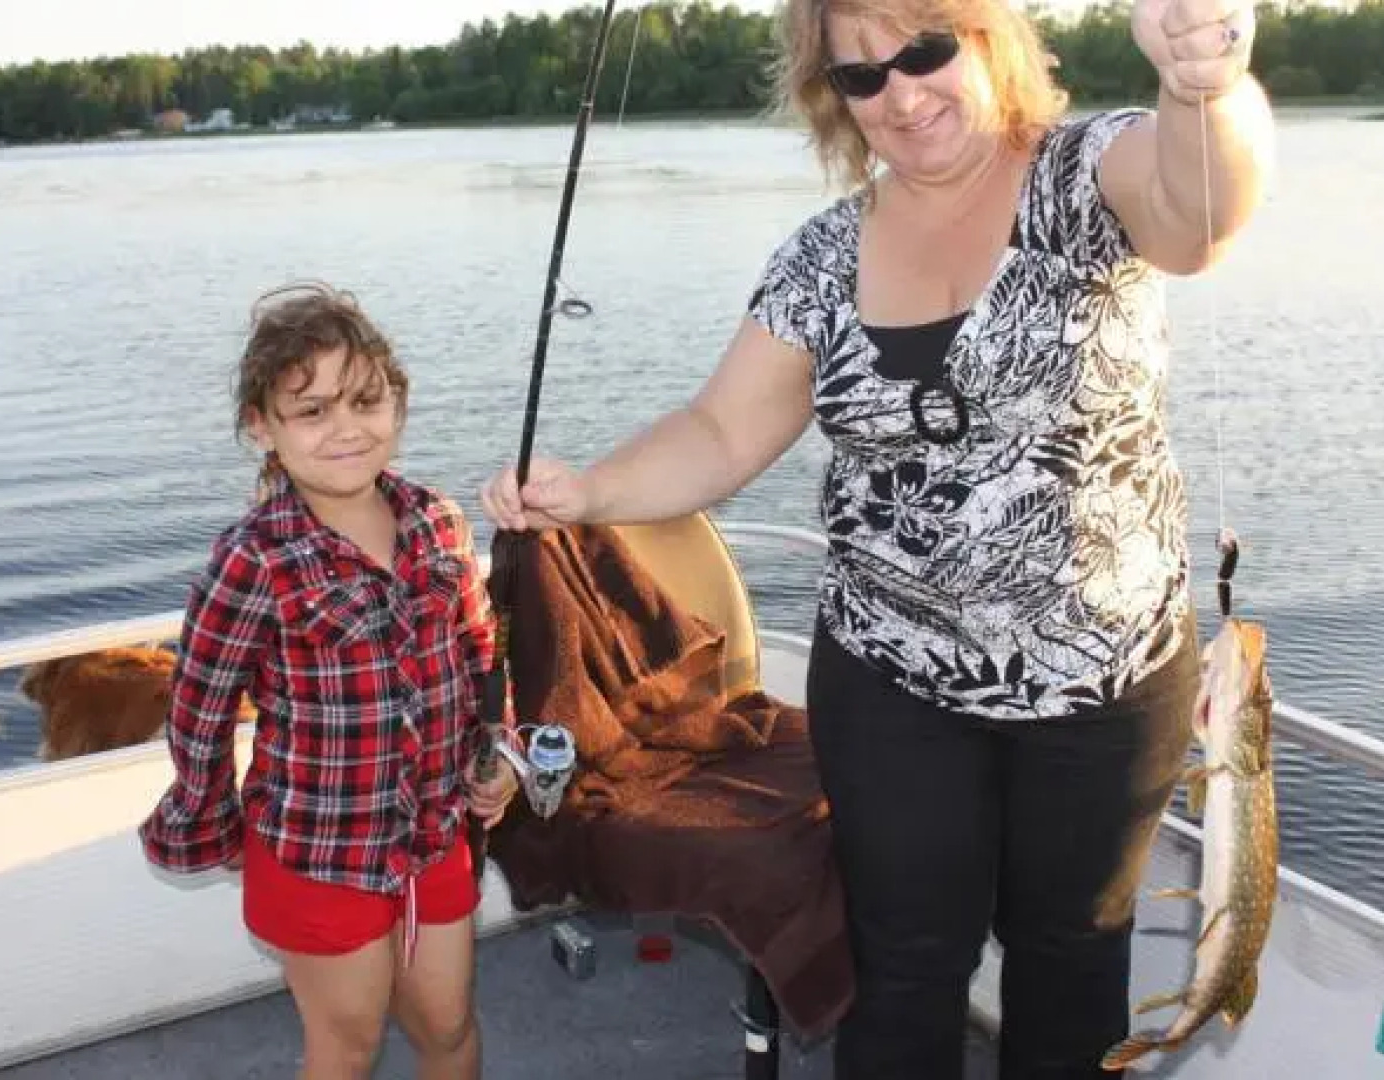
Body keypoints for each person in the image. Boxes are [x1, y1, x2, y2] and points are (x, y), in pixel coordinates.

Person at [479, 0, 1275, 1076]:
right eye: (861, 77)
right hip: (894, 678)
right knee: (902, 966)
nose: (900, 94)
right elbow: (720, 430)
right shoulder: (818, 257)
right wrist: (586, 490)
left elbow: (1202, 212)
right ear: (834, 100)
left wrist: (1205, 88)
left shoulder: (1089, 173)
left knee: (1072, 960)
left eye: (925, 51)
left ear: (988, 42)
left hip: (1103, 681)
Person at [141, 281, 520, 1080]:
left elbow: (482, 655)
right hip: (317, 853)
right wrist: (215, 824)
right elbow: (199, 715)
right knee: (346, 1047)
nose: (345, 430)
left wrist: (499, 757)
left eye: (365, 402)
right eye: (311, 412)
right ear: (262, 428)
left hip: (433, 839)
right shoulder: (252, 557)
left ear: (398, 404)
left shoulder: (439, 522)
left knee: (450, 1030)